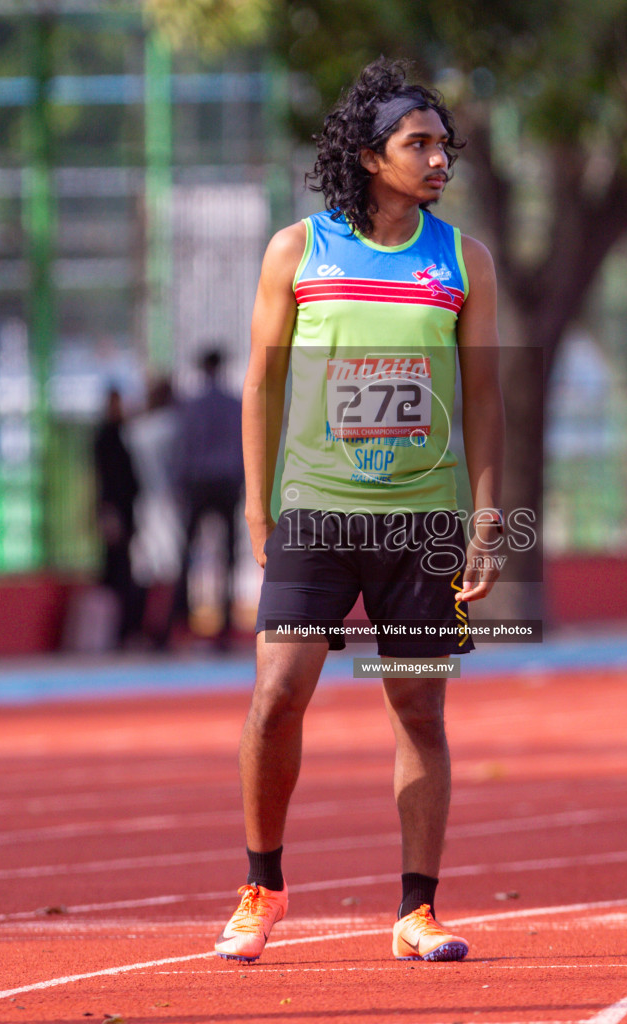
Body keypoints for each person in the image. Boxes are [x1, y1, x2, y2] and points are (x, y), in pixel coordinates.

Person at [213, 58, 504, 965]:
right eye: (419, 144)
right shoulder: (297, 251)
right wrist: (258, 514)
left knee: (418, 709)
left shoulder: (463, 260)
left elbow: (487, 398)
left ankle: (417, 911)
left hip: (421, 522)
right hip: (316, 513)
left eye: (444, 146)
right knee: (276, 696)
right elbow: (260, 385)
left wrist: (486, 518)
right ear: (372, 155)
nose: (438, 160)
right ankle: (261, 887)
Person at [171, 348, 244, 648]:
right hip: (226, 482)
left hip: (199, 483)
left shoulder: (192, 406)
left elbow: (183, 448)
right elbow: (244, 447)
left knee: (187, 554)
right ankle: (225, 625)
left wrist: (179, 484)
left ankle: (180, 621)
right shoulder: (233, 404)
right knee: (228, 556)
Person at [126, 374, 180, 649]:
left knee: (146, 571)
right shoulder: (175, 426)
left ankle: (142, 629)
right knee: (171, 571)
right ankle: (164, 629)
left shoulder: (136, 430)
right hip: (170, 504)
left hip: (145, 504)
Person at [91, 385, 143, 650]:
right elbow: (107, 481)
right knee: (116, 573)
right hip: (116, 513)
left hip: (124, 512)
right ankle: (115, 634)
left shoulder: (122, 435)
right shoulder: (107, 438)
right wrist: (107, 512)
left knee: (122, 571)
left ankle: (121, 632)